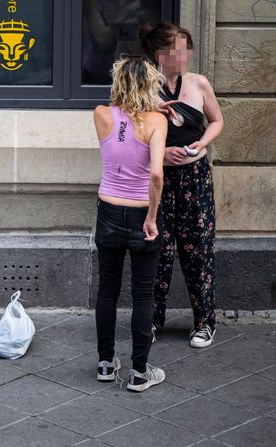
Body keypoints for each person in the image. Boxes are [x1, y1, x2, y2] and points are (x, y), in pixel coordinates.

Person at [142, 23, 223, 348]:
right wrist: (160, 155)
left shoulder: (198, 83)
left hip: (195, 180)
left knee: (199, 250)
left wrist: (201, 144)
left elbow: (217, 120)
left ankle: (205, 322)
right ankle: (151, 320)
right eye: (180, 48)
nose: (186, 54)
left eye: (188, 47)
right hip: (158, 181)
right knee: (156, 251)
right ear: (162, 54)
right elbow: (133, 134)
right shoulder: (145, 87)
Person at [93, 55, 167, 392]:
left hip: (108, 209)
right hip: (141, 212)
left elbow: (119, 117)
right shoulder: (157, 122)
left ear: (118, 82)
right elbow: (155, 174)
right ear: (151, 85)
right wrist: (152, 217)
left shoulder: (100, 115)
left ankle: (106, 364)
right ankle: (139, 372)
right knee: (141, 295)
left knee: (107, 290)